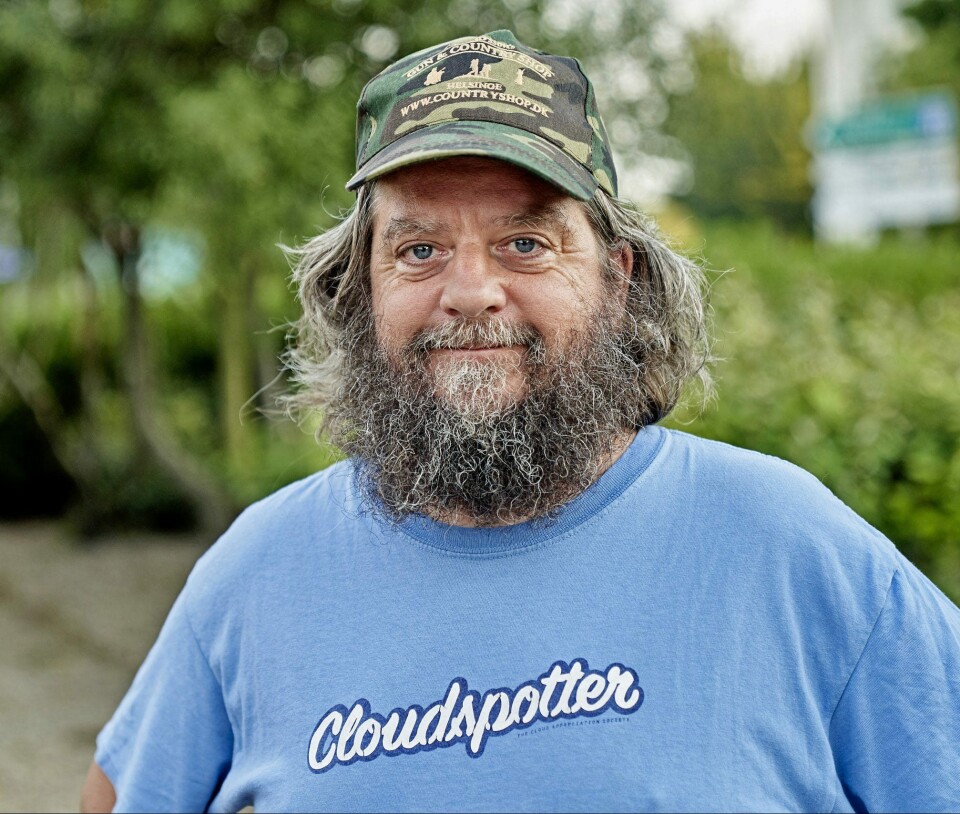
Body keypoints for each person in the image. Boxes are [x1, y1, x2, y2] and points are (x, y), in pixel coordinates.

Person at [82, 30, 960, 813]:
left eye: (526, 243)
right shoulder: (255, 573)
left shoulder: (794, 550)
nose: (469, 293)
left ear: (617, 278)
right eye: (418, 249)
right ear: (360, 291)